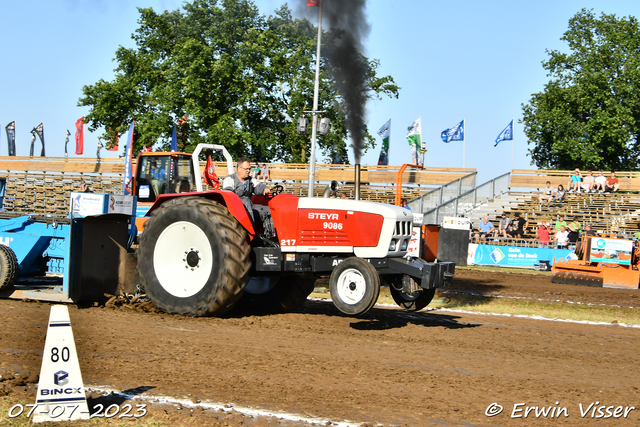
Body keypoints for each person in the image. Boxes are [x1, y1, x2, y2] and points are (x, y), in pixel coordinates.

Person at [222, 157, 271, 225]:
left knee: (269, 210)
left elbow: (258, 186)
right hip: (235, 210)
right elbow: (229, 195)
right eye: (246, 169)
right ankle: (250, 233)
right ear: (239, 168)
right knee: (246, 202)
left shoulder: (250, 179)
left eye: (249, 169)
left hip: (250, 206)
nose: (248, 171)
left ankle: (270, 234)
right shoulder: (229, 179)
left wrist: (265, 189)